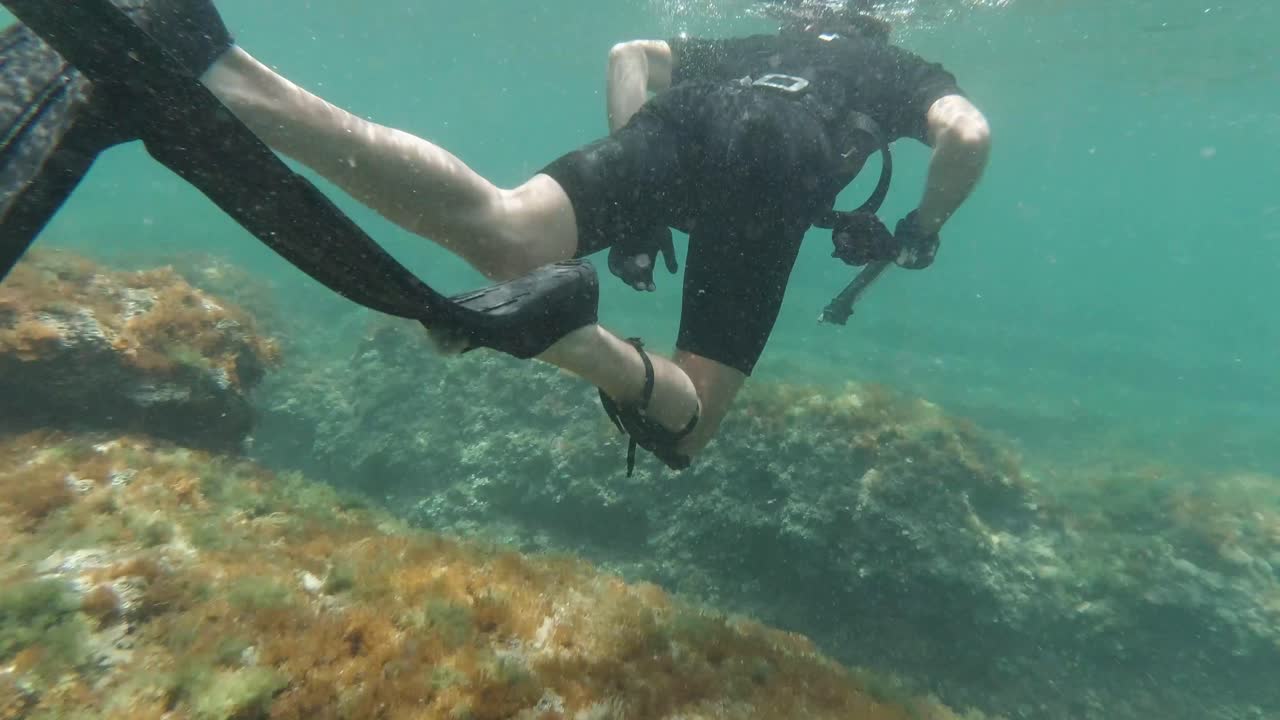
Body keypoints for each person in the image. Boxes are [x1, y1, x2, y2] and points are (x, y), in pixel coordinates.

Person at [0, 0, 990, 474]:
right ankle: (586, 345)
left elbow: (630, 52)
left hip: (695, 115)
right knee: (687, 426)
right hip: (778, 176)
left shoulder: (755, 44)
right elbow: (966, 134)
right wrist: (920, 225)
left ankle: (224, 74)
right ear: (878, 25)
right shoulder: (897, 71)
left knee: (503, 228)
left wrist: (637, 194)